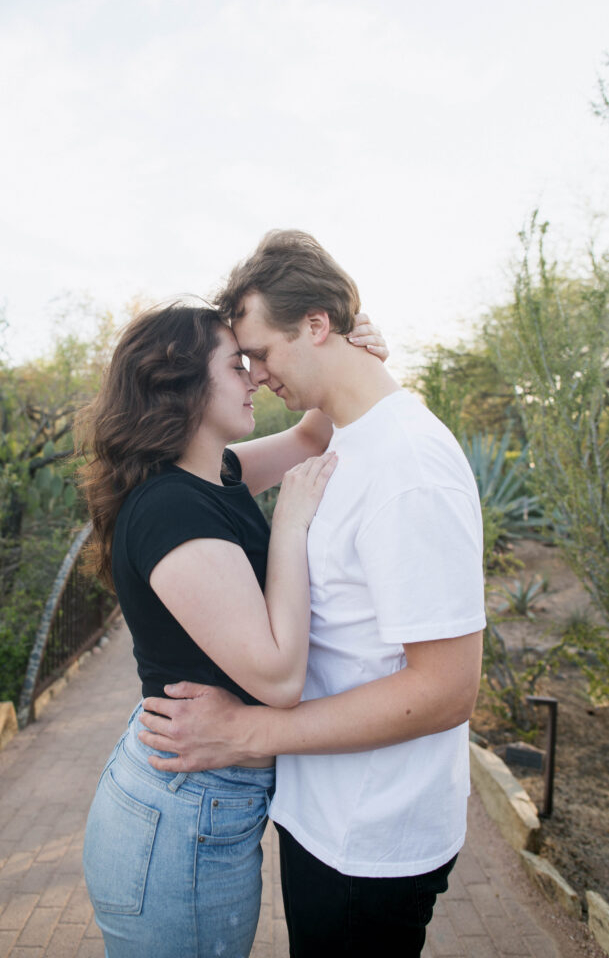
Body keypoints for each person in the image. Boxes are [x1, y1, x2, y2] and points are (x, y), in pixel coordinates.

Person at [138, 231, 487, 958]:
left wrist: (248, 733)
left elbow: (448, 690)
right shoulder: (348, 443)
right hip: (324, 815)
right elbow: (274, 449)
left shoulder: (406, 467)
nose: (256, 375)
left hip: (370, 837)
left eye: (259, 353)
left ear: (317, 326)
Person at [77, 301, 385, 958]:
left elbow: (310, 437)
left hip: (194, 802)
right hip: (182, 815)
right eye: (235, 365)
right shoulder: (167, 508)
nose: (252, 378)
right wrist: (292, 526)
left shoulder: (213, 473)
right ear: (180, 382)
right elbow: (277, 677)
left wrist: (356, 356)